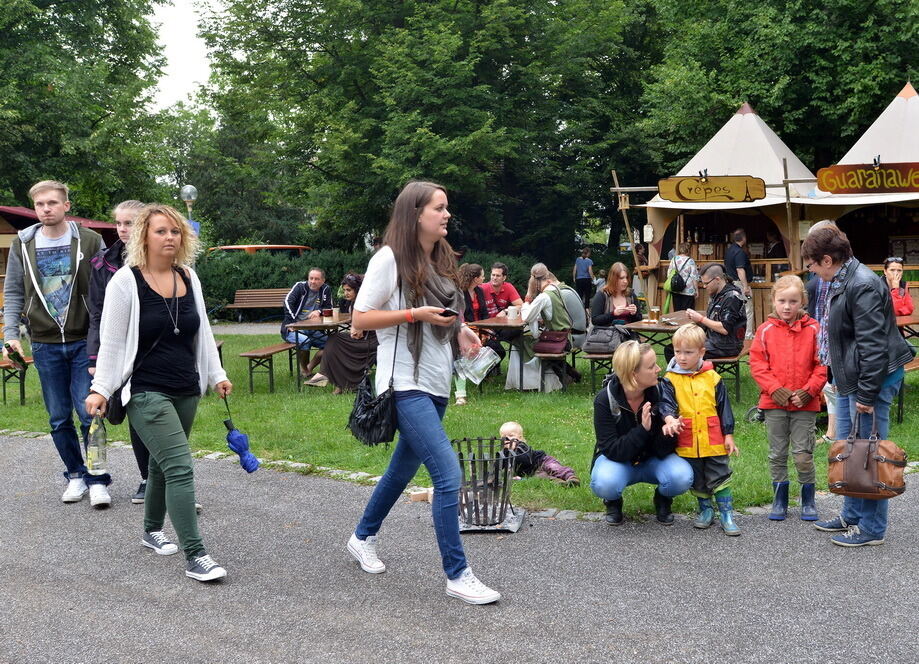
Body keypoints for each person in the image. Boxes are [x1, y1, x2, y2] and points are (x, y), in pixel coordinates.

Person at [347, 180, 500, 605]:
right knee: (448, 475)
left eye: (447, 207)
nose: (447, 214)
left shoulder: (440, 259)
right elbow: (360, 317)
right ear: (416, 213)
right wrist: (414, 313)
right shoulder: (389, 258)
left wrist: (464, 330)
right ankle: (458, 574)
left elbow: (445, 316)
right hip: (403, 383)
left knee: (400, 472)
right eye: (439, 208)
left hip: (436, 381)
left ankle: (361, 537)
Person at [85, 204, 231, 581]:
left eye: (175, 232)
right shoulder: (126, 282)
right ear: (143, 237)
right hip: (147, 391)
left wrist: (216, 375)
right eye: (161, 231)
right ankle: (196, 555)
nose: (170, 238)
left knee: (160, 466)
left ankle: (151, 531)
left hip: (186, 388)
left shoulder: (189, 277)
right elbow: (112, 343)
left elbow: (204, 333)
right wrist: (100, 388)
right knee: (180, 468)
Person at [803, 227, 914, 547]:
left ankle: (872, 529)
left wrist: (865, 394)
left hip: (873, 380)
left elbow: (873, 346)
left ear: (827, 259)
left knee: (870, 455)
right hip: (856, 377)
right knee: (851, 449)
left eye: (811, 265)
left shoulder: (861, 284)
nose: (811, 271)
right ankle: (851, 515)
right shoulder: (842, 278)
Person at [3, 180, 110, 506]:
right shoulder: (22, 244)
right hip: (45, 343)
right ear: (35, 209)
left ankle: (98, 480)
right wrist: (10, 335)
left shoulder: (90, 240)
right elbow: (12, 293)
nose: (46, 209)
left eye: (52, 203)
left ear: (66, 205)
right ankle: (75, 475)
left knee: (88, 412)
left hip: (84, 341)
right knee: (58, 417)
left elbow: (108, 286)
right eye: (40, 205)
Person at [88, 199, 151, 504]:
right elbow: (97, 314)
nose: (124, 229)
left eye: (131, 223)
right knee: (132, 415)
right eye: (120, 223)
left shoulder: (161, 258)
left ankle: (167, 478)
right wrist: (94, 358)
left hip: (153, 348)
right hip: (118, 350)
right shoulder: (104, 263)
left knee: (157, 415)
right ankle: (147, 478)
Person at [749, 275, 827, 522]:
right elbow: (757, 364)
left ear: (802, 301)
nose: (787, 306)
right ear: (773, 300)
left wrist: (809, 390)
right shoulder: (765, 330)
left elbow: (822, 363)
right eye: (782, 300)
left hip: (805, 404)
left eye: (793, 301)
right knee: (777, 453)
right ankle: (779, 499)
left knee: (804, 453)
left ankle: (808, 500)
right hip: (774, 404)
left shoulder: (814, 329)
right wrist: (775, 389)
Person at [590, 341, 693, 525]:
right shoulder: (605, 399)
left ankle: (662, 499)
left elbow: (663, 451)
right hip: (619, 461)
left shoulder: (661, 392)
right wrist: (643, 431)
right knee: (604, 483)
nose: (659, 369)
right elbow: (612, 450)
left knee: (682, 476)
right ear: (633, 374)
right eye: (651, 366)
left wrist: (668, 432)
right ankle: (613, 501)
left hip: (653, 460)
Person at [661, 324, 741, 536]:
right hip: (687, 439)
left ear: (701, 352)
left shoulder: (713, 378)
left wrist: (729, 434)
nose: (682, 357)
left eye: (688, 352)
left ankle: (727, 514)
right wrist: (669, 419)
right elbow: (666, 404)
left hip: (713, 438)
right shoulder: (670, 379)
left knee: (720, 474)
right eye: (678, 352)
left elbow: (724, 408)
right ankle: (705, 510)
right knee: (697, 478)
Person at [506, 263, 568, 392]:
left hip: (556, 341)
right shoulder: (556, 290)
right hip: (566, 337)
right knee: (526, 338)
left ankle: (528, 384)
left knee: (519, 341)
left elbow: (526, 317)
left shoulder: (544, 296)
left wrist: (528, 297)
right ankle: (564, 374)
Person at [318, 272, 378, 395]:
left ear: (358, 290)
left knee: (335, 343)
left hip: (370, 341)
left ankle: (330, 380)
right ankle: (335, 382)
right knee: (333, 340)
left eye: (349, 290)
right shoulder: (354, 302)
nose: (346, 293)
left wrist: (356, 328)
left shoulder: (363, 304)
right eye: (344, 290)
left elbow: (360, 330)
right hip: (363, 339)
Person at [282, 267, 333, 383]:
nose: (313, 281)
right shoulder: (299, 287)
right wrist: (292, 322)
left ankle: (308, 368)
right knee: (305, 341)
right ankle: (305, 370)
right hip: (292, 328)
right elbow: (287, 302)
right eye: (311, 278)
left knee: (332, 344)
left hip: (313, 328)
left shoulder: (326, 289)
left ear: (323, 280)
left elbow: (328, 307)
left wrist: (318, 311)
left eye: (317, 279)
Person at [685, 263, 745, 359]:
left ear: (717, 279)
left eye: (706, 283)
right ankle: (691, 373)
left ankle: (693, 374)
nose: (704, 286)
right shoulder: (716, 295)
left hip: (728, 346)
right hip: (714, 342)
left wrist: (700, 319)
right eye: (702, 283)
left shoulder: (732, 297)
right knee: (675, 348)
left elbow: (725, 329)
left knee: (685, 352)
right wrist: (696, 319)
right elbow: (710, 324)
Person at [499, 421, 579, 486]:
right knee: (541, 477)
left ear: (519, 438)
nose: (507, 438)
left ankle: (570, 477)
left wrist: (512, 451)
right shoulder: (504, 452)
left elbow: (525, 460)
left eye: (511, 435)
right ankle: (560, 482)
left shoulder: (522, 446)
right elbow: (498, 464)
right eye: (503, 436)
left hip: (542, 461)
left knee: (554, 468)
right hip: (534, 472)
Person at [453, 263, 489, 406]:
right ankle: (460, 395)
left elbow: (484, 313)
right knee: (460, 356)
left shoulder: (479, 291)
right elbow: (458, 315)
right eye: (482, 275)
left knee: (487, 344)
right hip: (460, 329)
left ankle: (474, 376)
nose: (485, 278)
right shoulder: (458, 292)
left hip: (472, 328)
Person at [591, 262, 644, 326]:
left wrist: (634, 314)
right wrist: (613, 314)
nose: (625, 281)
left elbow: (639, 320)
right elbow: (595, 320)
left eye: (626, 277)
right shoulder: (602, 295)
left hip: (628, 334)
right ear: (613, 279)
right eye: (621, 278)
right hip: (607, 334)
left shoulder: (631, 295)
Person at [724, 228, 754, 338]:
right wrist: (746, 287)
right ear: (744, 239)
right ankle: (748, 334)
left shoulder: (729, 250)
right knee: (748, 309)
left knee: (735, 310)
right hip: (740, 284)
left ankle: (736, 333)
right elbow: (740, 270)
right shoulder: (740, 252)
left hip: (731, 284)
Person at [666, 243, 699, 312]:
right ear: (688, 250)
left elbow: (669, 274)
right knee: (688, 312)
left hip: (676, 288)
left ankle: (678, 322)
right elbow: (694, 277)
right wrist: (696, 290)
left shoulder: (674, 259)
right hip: (688, 290)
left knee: (677, 311)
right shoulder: (690, 261)